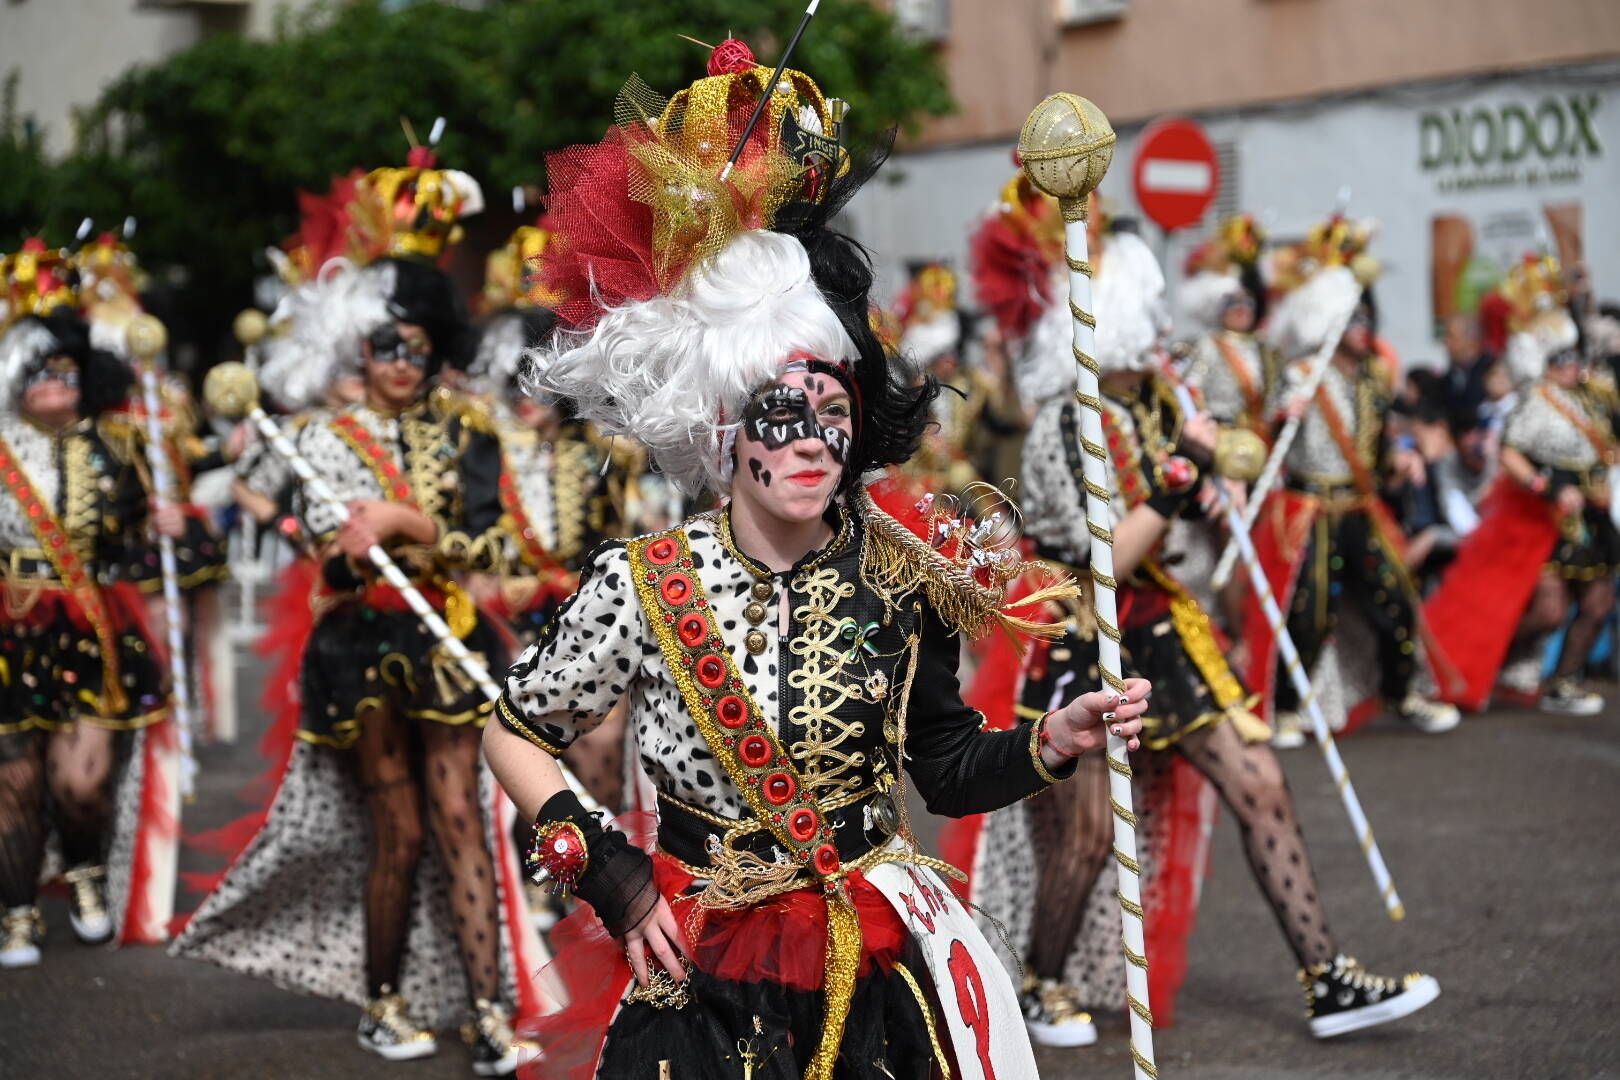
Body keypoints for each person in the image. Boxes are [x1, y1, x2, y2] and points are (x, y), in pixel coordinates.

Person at [482, 41, 1148, 1078]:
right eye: (776, 410)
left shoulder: (905, 576)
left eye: (830, 408)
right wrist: (610, 873)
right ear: (718, 424)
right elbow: (518, 732)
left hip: (877, 968)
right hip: (701, 977)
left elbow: (947, 769)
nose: (806, 438)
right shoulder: (642, 582)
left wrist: (1052, 741)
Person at [954, 189, 1440, 1046]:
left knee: (1259, 779)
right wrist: (1183, 475)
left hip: (1162, 626)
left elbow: (1198, 485)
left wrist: (1222, 474)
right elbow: (1107, 558)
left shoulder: (1152, 403)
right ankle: (1038, 983)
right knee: (1092, 833)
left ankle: (1328, 980)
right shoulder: (1071, 422)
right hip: (1083, 634)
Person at [172, 150, 538, 1076]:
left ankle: (490, 1009)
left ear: (440, 344)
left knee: (461, 815)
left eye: (419, 344)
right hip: (358, 649)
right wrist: (321, 537)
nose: (403, 362)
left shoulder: (471, 431)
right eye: (386, 344)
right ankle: (383, 1001)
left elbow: (495, 552)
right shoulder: (315, 440)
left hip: (447, 636)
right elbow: (278, 516)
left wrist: (409, 521)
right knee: (400, 829)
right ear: (357, 347)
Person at [0, 240, 182, 966]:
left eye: (64, 369)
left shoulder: (115, 447)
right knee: (14, 782)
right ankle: (16, 911)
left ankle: (85, 872)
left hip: (88, 627)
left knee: (81, 782)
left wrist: (172, 525)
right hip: (9, 627)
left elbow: (148, 543)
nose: (53, 381)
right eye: (37, 370)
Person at [1246, 218, 1461, 738]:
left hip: (1360, 507)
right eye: (1356, 321)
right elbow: (1262, 443)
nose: (1367, 330)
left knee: (1395, 596)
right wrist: (1281, 416)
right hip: (1310, 509)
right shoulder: (1301, 375)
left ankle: (1403, 692)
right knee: (1309, 610)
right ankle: (1290, 707)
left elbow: (1378, 449)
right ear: (1334, 325)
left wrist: (1400, 462)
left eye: (1368, 320)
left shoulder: (1370, 383)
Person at [1426, 254, 1614, 717]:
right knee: (1549, 609)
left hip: (1591, 511)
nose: (1571, 366)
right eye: (1561, 359)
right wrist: (1547, 487)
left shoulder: (1591, 398)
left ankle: (1565, 680)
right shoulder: (1535, 401)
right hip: (1546, 514)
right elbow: (1510, 454)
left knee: (1597, 601)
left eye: (1573, 358)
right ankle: (1494, 663)